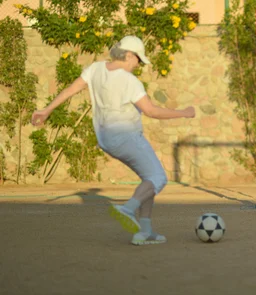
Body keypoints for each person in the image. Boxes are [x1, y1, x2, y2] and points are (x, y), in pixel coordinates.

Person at [31, 36, 196, 245]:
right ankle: (127, 209)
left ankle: (145, 231)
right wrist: (184, 112)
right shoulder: (129, 81)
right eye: (138, 60)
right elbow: (152, 111)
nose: (138, 66)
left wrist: (47, 110)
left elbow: (70, 90)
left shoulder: (95, 69)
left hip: (106, 140)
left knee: (149, 178)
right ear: (128, 55)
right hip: (127, 137)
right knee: (158, 178)